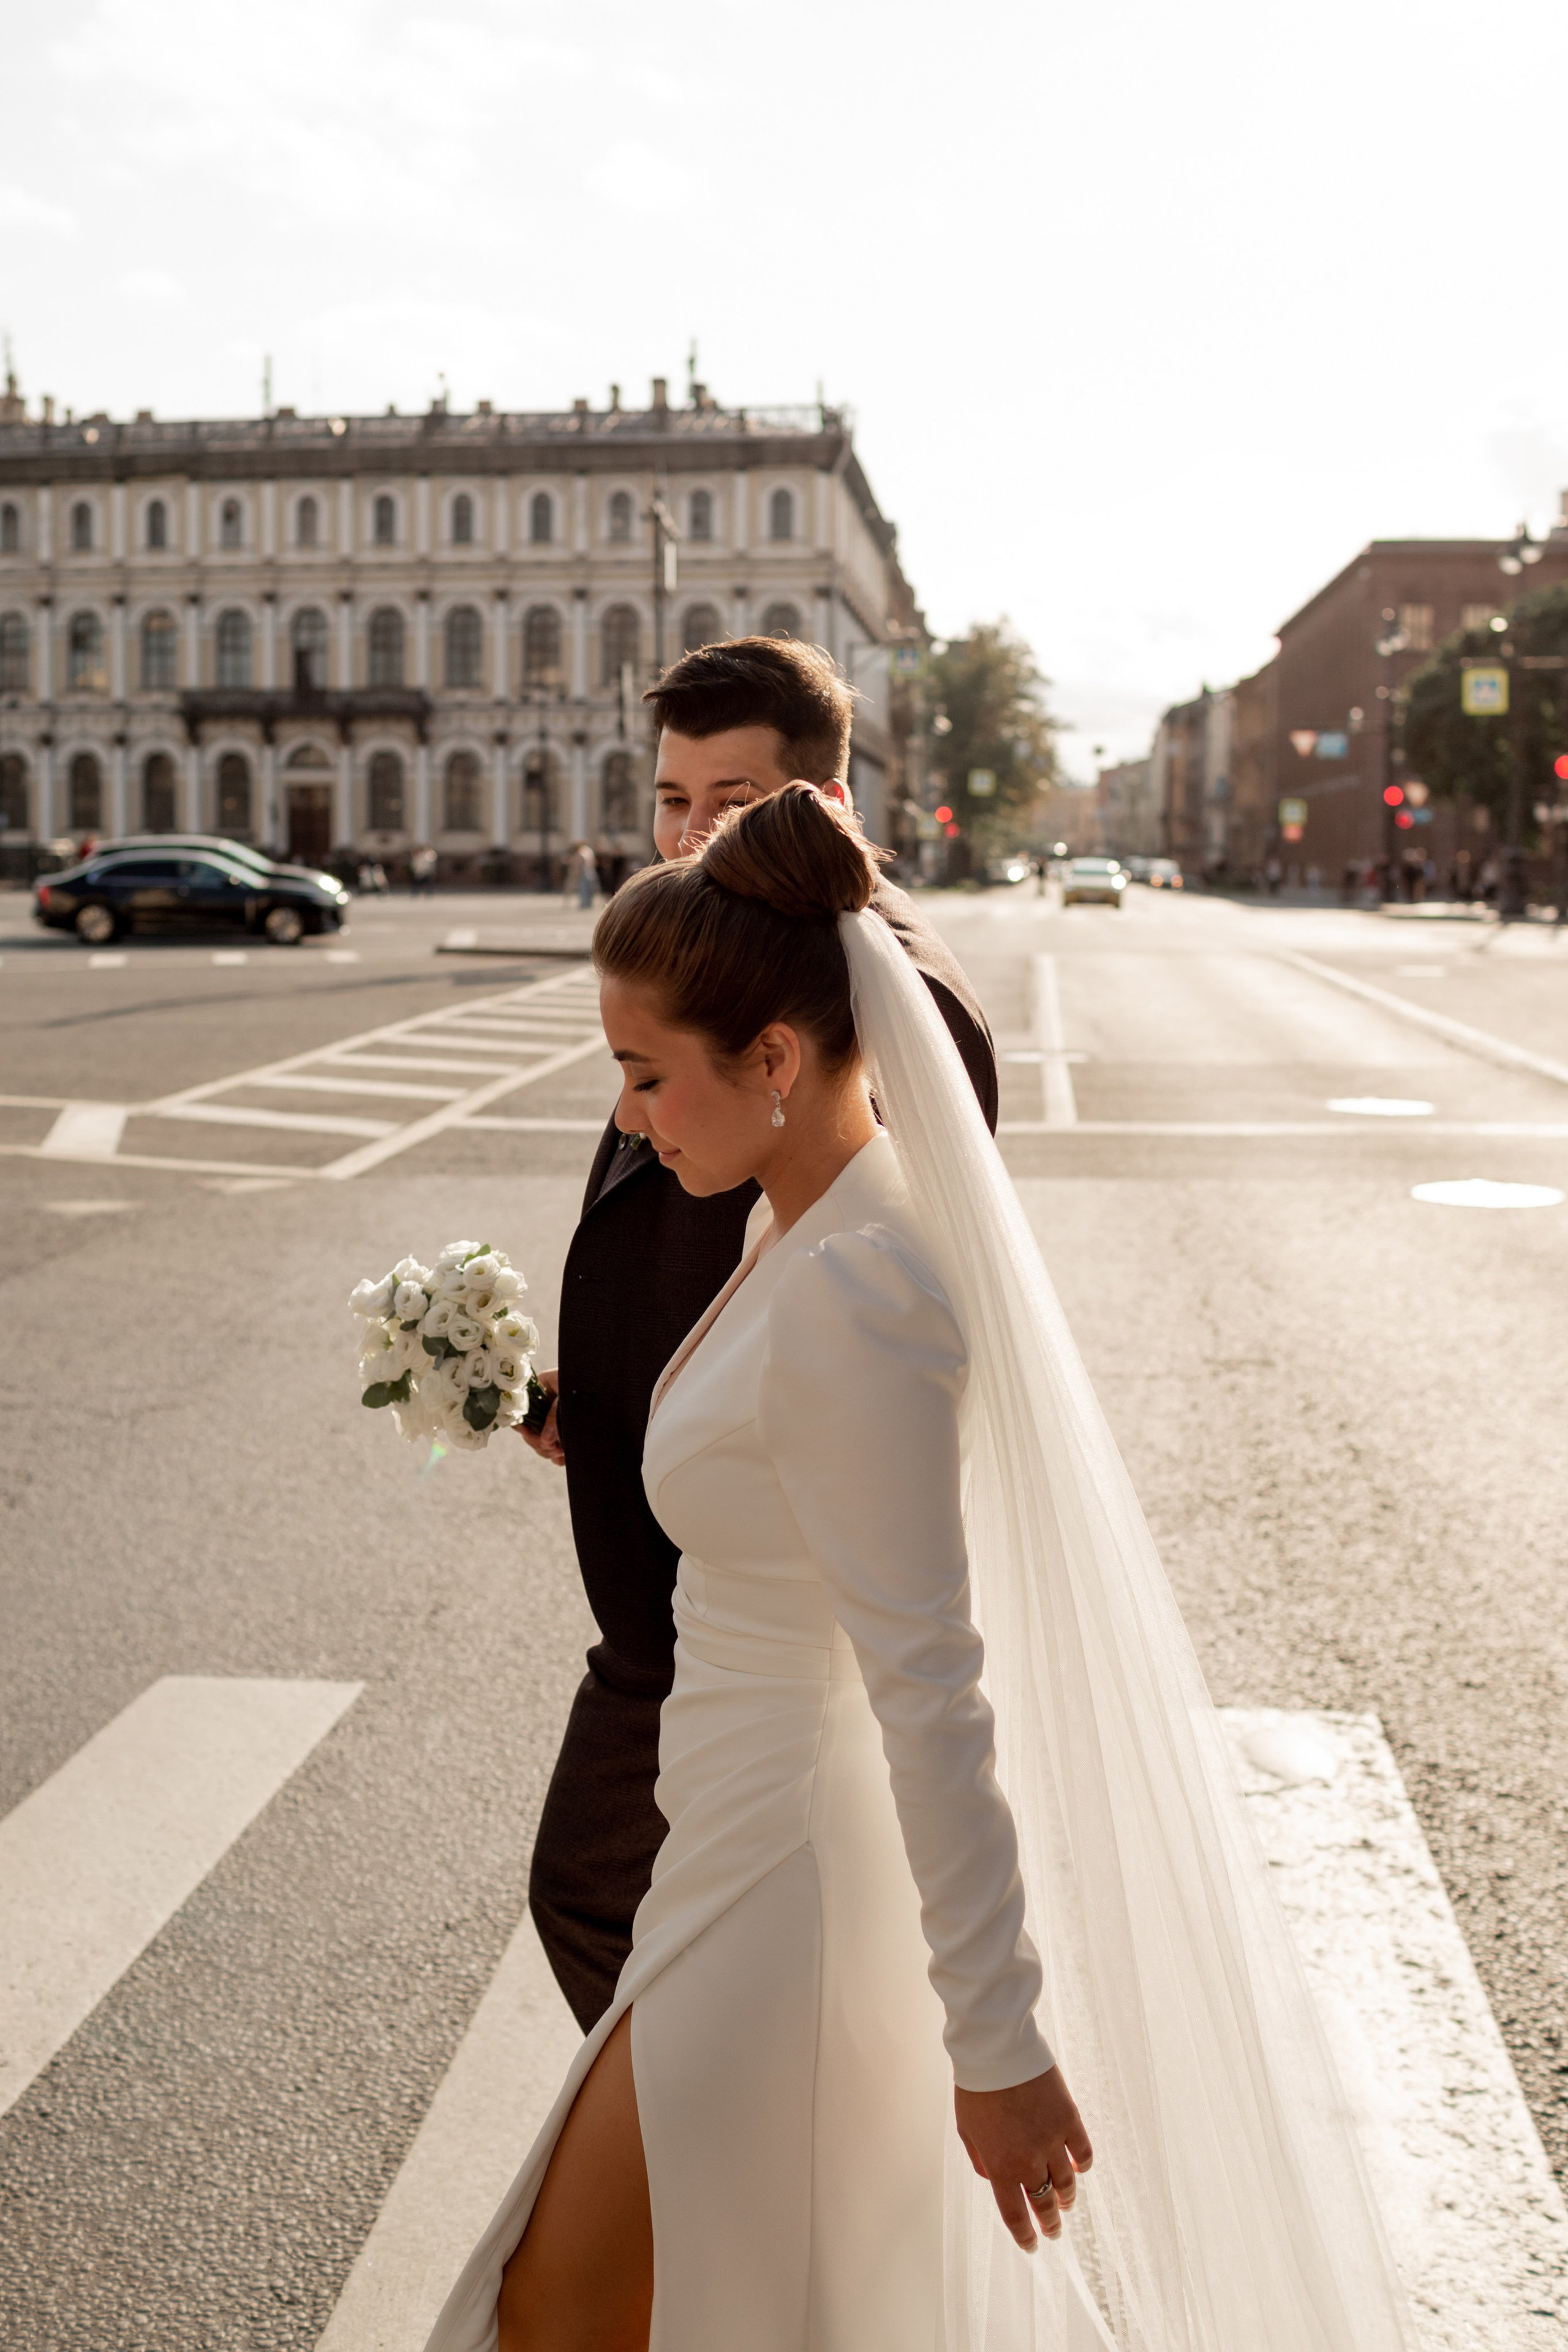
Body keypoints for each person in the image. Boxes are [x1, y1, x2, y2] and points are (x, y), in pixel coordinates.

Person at [427, 788, 1414, 2352]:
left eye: (642, 1076)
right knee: (677, 2307)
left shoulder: (854, 1292)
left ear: (773, 1058)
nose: (627, 1118)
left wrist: (1000, 2042)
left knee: (571, 2308)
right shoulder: (799, 1228)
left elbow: (931, 1688)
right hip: (730, 1858)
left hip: (786, 1896)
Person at [521, 638, 998, 2035]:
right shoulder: (724, 948)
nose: (689, 833)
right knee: (662, 1922)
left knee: (606, 1900)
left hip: (733, 1596)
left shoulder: (875, 996)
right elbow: (703, 1260)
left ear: (826, 800)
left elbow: (855, 1298)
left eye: (728, 799)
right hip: (682, 1546)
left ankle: (715, 2136)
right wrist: (594, 1392)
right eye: (670, 800)